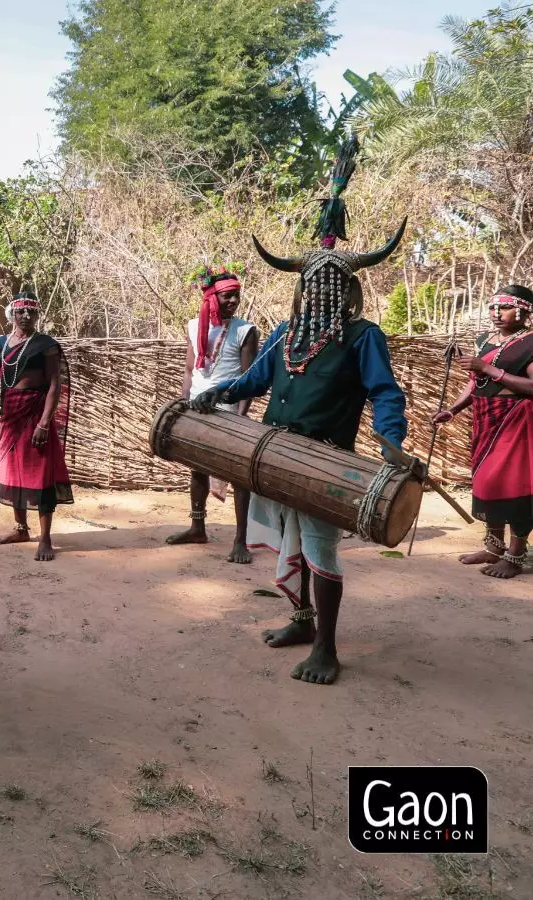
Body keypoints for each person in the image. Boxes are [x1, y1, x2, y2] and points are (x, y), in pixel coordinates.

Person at [191, 136, 408, 686]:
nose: (321, 290)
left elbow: (385, 392)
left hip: (326, 461)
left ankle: (328, 650)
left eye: (333, 282)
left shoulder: (363, 337)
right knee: (291, 540)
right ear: (303, 287)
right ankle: (303, 622)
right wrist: (217, 394)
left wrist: (389, 437)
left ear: (349, 289)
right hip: (276, 454)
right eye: (314, 281)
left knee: (319, 549)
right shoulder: (287, 334)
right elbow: (257, 377)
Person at [432, 284, 533, 578]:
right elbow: (474, 382)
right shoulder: (483, 340)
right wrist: (452, 409)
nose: (497, 313)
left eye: (505, 307)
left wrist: (489, 370)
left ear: (524, 311)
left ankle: (514, 555)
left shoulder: (530, 342)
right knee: (486, 482)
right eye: (493, 307)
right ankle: (493, 546)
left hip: (516, 418)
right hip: (485, 417)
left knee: (514, 485)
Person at [0, 290, 71, 559]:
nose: (26, 315)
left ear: (36, 315)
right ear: (12, 313)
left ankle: (45, 538)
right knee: (13, 472)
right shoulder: (1, 343)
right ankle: (21, 529)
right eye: (21, 311)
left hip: (36, 416)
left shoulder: (45, 344)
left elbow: (55, 385)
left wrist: (45, 423)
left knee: (41, 473)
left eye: (31, 311)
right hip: (10, 416)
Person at [166, 266, 258, 563]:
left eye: (236, 296)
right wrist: (184, 402)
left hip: (228, 410)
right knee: (197, 468)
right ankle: (197, 527)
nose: (234, 301)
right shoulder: (195, 326)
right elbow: (190, 370)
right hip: (197, 406)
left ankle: (240, 540)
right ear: (211, 298)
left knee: (239, 475)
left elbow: (248, 379)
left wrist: (241, 418)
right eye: (228, 296)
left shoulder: (245, 331)